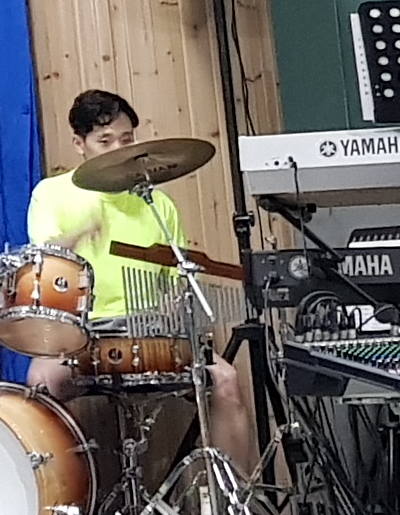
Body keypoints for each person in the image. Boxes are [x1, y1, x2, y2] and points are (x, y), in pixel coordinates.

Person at [21, 89, 255, 472]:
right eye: (104, 141)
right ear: (80, 144)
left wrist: (181, 303)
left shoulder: (157, 203)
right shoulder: (52, 194)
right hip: (82, 333)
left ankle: (237, 498)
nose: (118, 149)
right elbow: (41, 261)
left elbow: (175, 283)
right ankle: (59, 500)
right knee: (42, 383)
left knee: (225, 380)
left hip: (149, 331)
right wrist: (78, 234)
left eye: (126, 140)